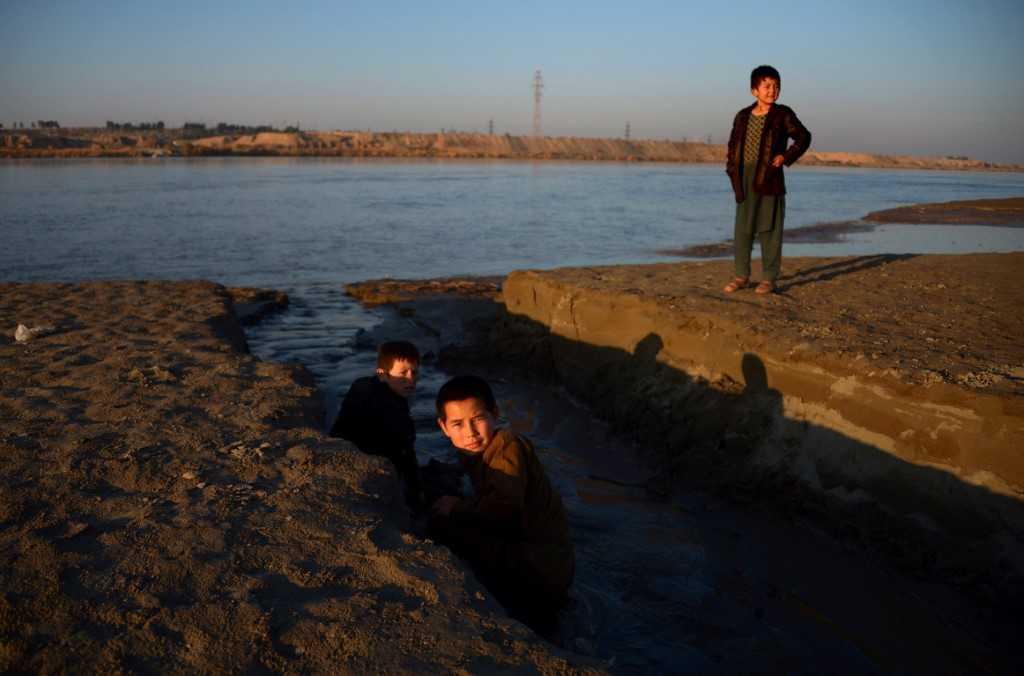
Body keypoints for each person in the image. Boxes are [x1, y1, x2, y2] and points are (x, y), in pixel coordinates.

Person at [429, 375, 574, 636]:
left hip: (542, 569)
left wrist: (458, 507)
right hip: (541, 558)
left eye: (478, 419)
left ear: (495, 414)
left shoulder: (508, 447)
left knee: (442, 525)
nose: (470, 433)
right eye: (458, 424)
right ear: (444, 427)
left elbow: (503, 509)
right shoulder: (478, 453)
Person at [724, 65, 811, 295]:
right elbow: (733, 145)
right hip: (744, 179)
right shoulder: (742, 116)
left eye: (776, 86)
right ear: (754, 90)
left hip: (770, 178)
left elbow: (803, 137)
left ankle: (769, 279)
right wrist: (731, 169)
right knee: (743, 229)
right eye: (767, 86)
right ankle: (741, 276)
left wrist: (786, 156)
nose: (772, 91)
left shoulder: (783, 114)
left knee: (769, 230)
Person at [330, 340, 422, 510]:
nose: (410, 379)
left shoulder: (363, 385)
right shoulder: (391, 408)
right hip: (366, 476)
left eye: (414, 372)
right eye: (402, 373)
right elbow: (404, 455)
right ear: (382, 374)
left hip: (340, 453)